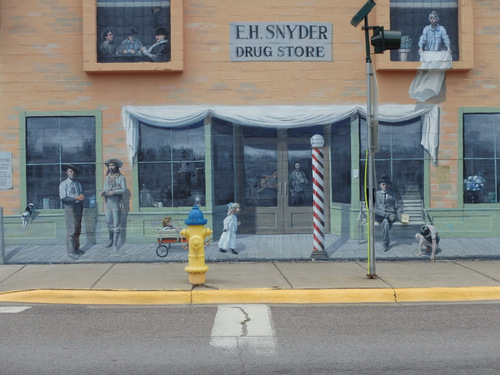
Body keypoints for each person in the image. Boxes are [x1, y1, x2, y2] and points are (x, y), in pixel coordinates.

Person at [59, 164, 85, 259]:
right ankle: (70, 251)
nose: (72, 173)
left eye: (73, 171)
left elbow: (81, 194)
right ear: (67, 173)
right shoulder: (64, 184)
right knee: (71, 230)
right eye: (70, 171)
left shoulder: (78, 184)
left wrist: (81, 197)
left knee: (77, 229)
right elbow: (63, 198)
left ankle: (76, 248)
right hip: (69, 208)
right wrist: (75, 198)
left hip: (78, 207)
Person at [100, 158, 126, 253]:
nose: (111, 167)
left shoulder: (121, 178)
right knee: (108, 223)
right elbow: (105, 189)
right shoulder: (107, 178)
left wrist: (114, 192)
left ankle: (115, 244)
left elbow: (123, 190)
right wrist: (103, 192)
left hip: (116, 203)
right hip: (108, 204)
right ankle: (110, 240)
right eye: (109, 165)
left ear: (117, 167)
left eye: (113, 165)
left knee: (116, 225)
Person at [374, 174, 403, 252]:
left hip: (390, 217)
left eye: (387, 184)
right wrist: (386, 214)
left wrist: (400, 217)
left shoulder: (393, 195)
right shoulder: (376, 194)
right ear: (380, 185)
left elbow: (397, 207)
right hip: (379, 216)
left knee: (386, 222)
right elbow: (372, 208)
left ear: (389, 186)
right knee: (385, 220)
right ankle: (385, 243)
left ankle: (385, 244)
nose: (385, 186)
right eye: (383, 184)